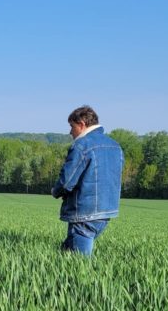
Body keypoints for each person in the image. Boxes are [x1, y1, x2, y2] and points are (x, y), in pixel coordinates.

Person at [51, 105, 123, 256]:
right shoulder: (115, 146)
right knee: (65, 252)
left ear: (82, 124)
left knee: (80, 263)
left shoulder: (81, 145)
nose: (70, 132)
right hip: (106, 210)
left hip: (84, 209)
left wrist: (55, 191)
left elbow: (66, 181)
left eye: (72, 126)